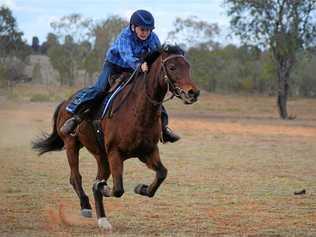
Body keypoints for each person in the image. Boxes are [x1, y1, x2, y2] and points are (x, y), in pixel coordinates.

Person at [60, 9, 180, 143]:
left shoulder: (153, 38)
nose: (145, 33)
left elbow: (157, 56)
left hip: (138, 69)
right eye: (142, 29)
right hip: (114, 66)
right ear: (133, 27)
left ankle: (163, 128)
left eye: (148, 30)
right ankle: (76, 115)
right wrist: (139, 66)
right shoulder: (125, 36)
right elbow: (127, 56)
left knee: (150, 93)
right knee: (100, 89)